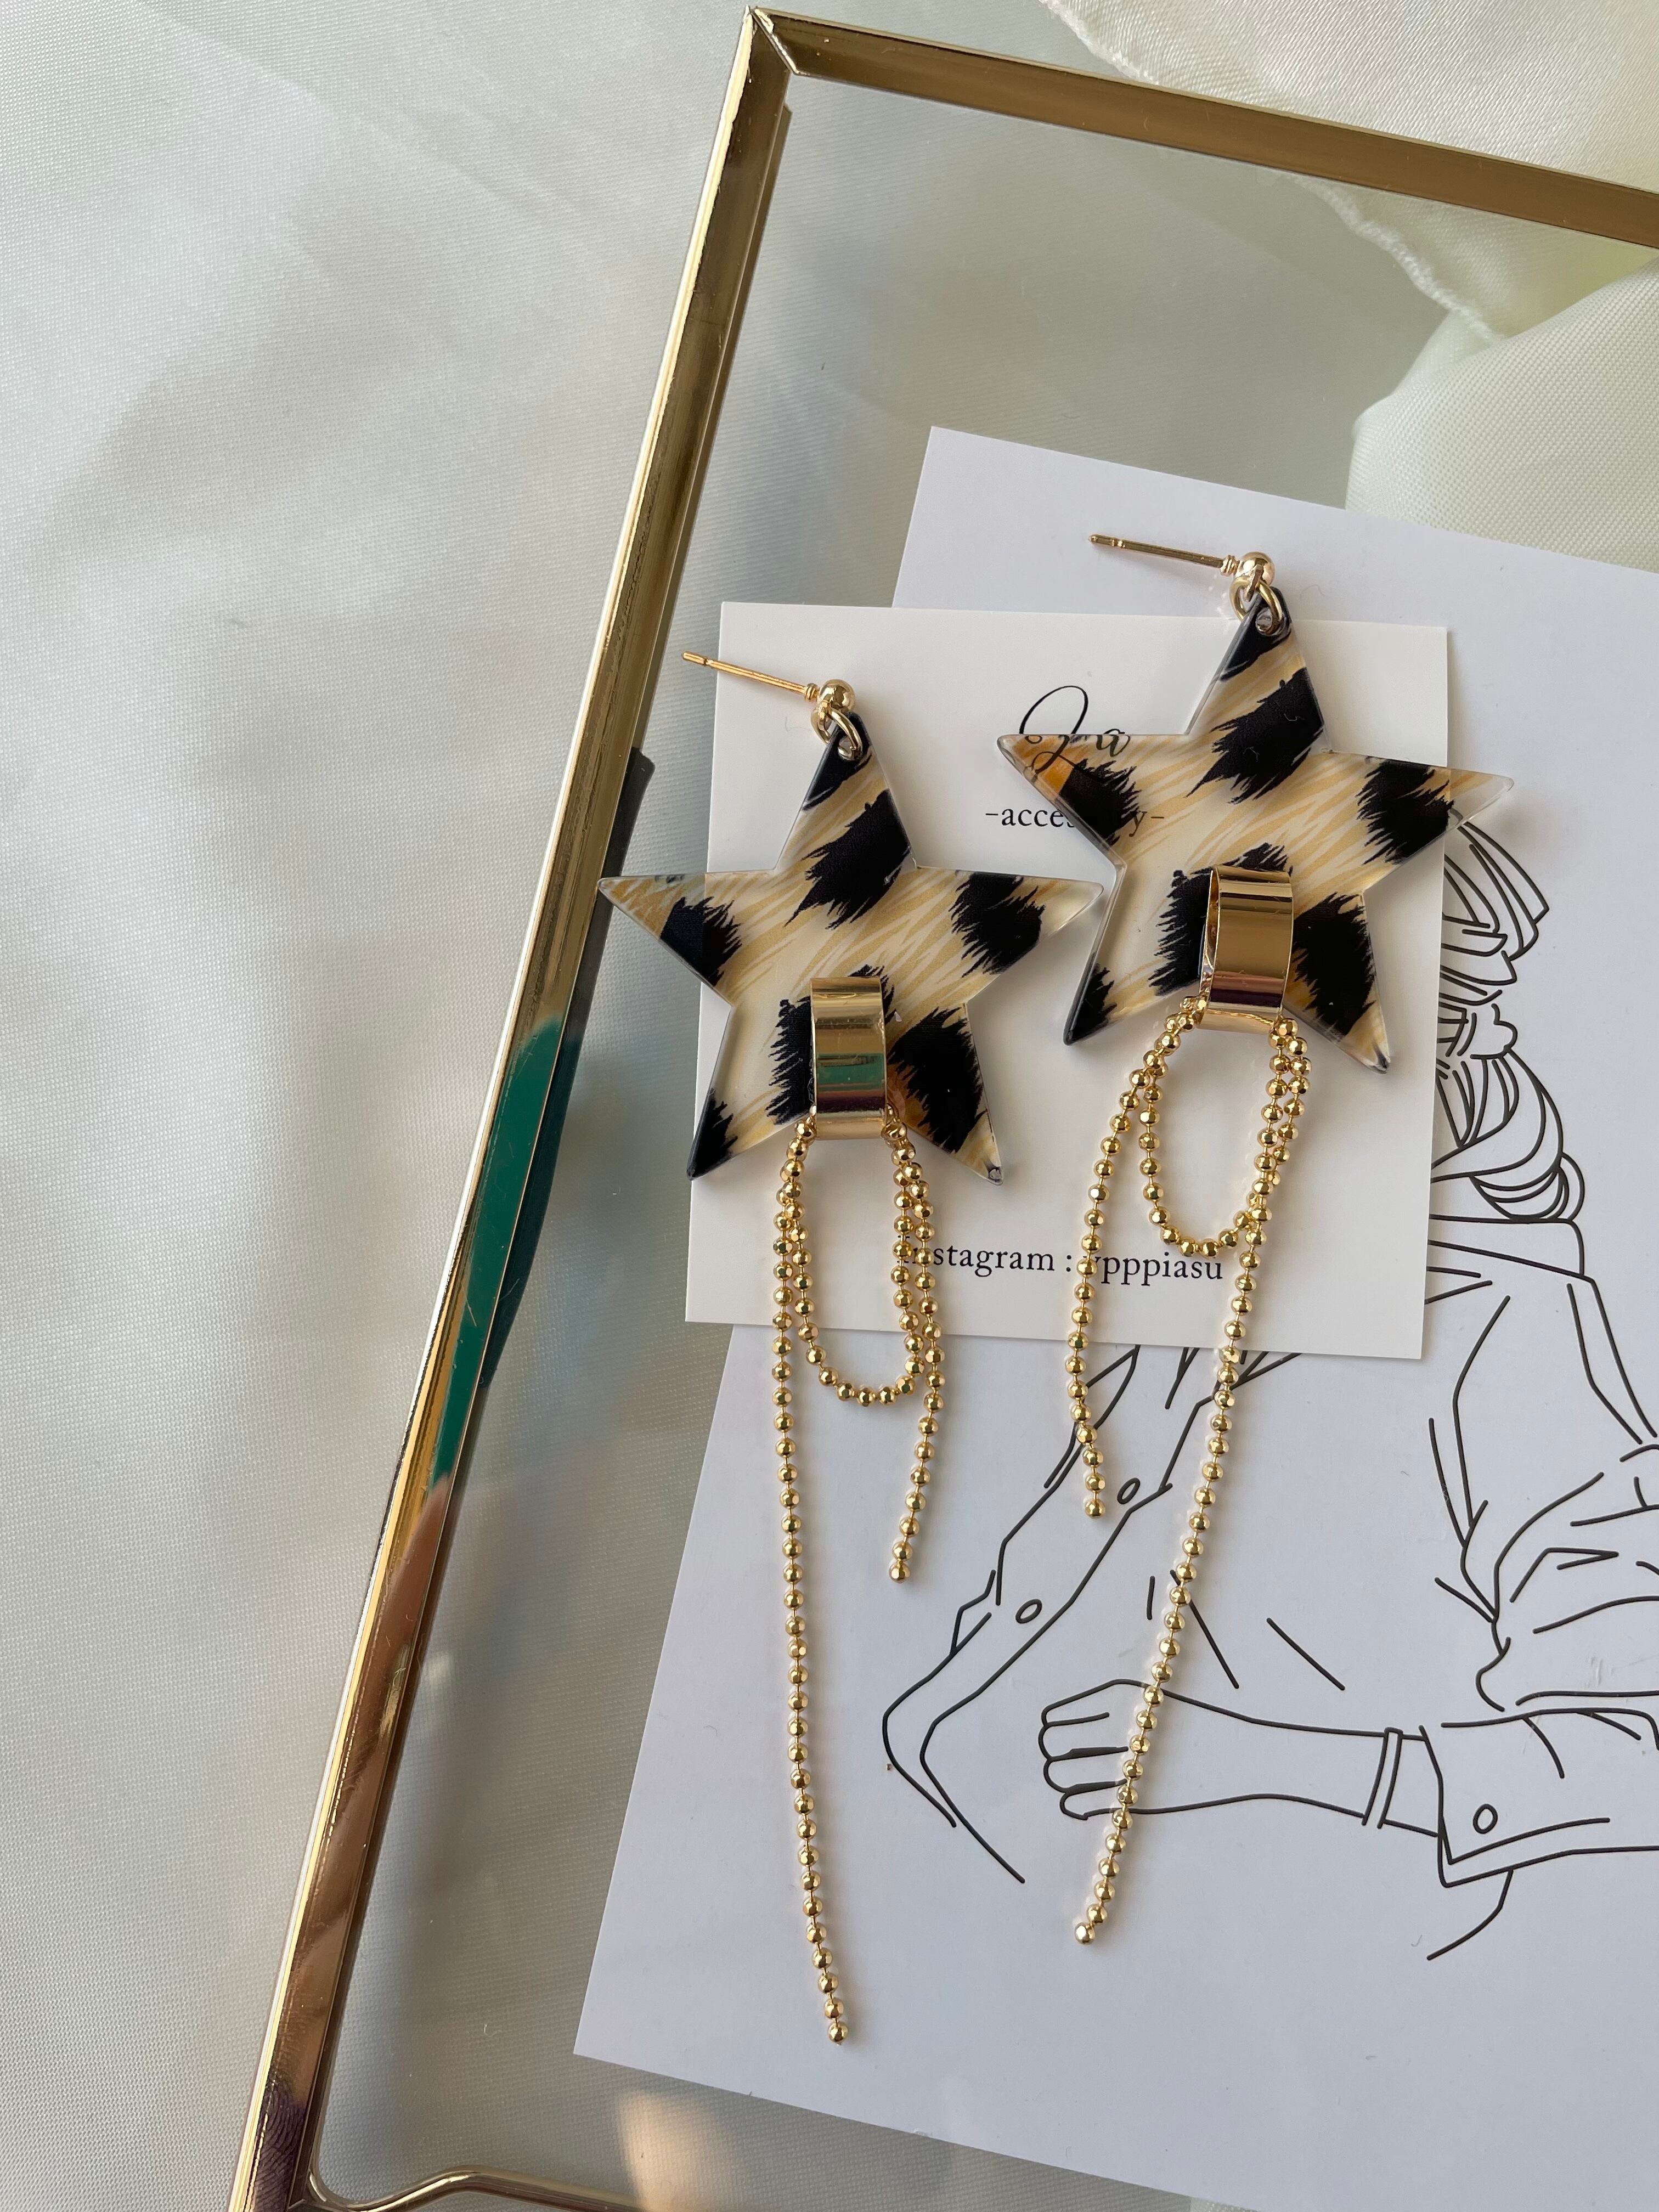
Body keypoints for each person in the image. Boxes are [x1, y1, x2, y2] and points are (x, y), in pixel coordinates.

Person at [883, 825, 1659, 1955]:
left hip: (1282, 1985)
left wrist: (1265, 1761)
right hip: (975, 1932)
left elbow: (1628, 1750)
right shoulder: (1208, 1287)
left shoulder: (1506, 1331)